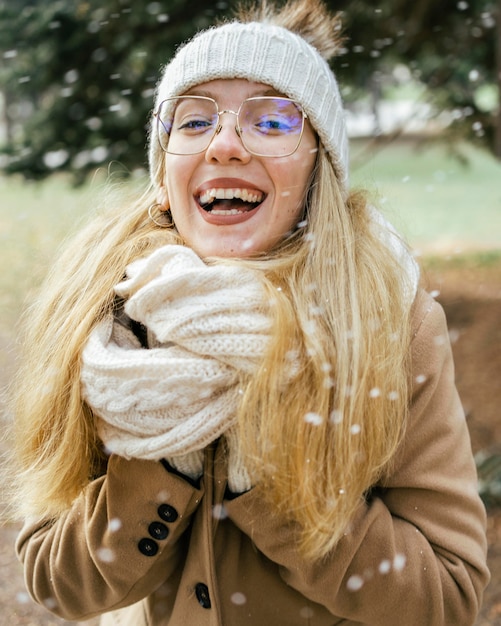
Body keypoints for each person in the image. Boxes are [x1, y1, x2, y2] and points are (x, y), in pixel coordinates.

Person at [10, 0, 489, 624]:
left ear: (320, 169)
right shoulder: (108, 322)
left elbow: (446, 598)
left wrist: (270, 479)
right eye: (195, 120)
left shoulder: (389, 322)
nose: (226, 144)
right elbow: (56, 584)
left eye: (272, 120)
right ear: (163, 175)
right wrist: (163, 460)